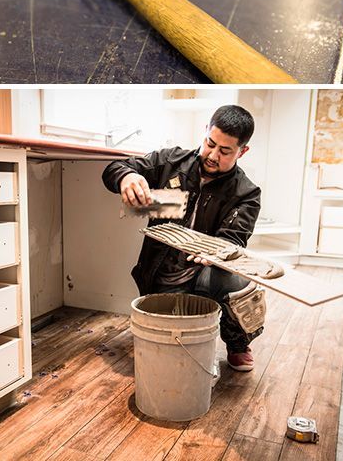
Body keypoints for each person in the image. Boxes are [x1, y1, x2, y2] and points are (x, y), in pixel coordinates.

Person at [103, 104, 264, 372]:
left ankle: (237, 343)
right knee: (171, 354)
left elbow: (234, 240)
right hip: (163, 275)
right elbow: (114, 168)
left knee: (237, 280)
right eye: (210, 143)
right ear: (205, 131)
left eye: (225, 151)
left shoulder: (247, 194)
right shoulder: (170, 162)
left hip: (207, 273)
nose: (212, 155)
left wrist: (218, 252)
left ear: (242, 151)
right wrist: (126, 176)